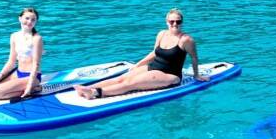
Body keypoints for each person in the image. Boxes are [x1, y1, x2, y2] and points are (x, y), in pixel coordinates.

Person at [75, 8, 205, 99]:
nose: (175, 24)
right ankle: (87, 88)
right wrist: (138, 65)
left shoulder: (186, 40)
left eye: (178, 21)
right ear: (167, 22)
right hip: (153, 66)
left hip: (169, 74)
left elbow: (194, 57)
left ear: (182, 23)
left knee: (131, 83)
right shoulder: (161, 34)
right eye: (172, 21)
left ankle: (94, 93)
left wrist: (196, 75)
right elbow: (154, 53)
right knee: (121, 78)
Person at [0, 7, 44, 99]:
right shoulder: (14, 36)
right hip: (18, 74)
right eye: (27, 18)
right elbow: (11, 61)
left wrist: (29, 86)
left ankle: (35, 88)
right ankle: (19, 87)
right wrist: (0, 76)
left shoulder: (37, 39)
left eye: (33, 20)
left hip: (32, 76)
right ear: (20, 18)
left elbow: (36, 64)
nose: (30, 22)